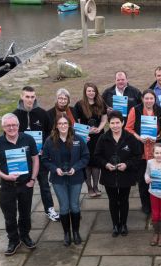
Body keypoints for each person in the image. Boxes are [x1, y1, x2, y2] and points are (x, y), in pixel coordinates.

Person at [0, 113, 39, 256]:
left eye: (14, 125)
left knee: (25, 214)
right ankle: (13, 240)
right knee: (9, 216)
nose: (11, 128)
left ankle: (25, 235)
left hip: (25, 184)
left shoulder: (28, 139)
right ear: (3, 127)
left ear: (18, 125)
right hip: (7, 186)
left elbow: (35, 160)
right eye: (8, 125)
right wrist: (5, 176)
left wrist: (33, 179)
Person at [42, 114, 89, 246]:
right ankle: (66, 234)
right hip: (58, 179)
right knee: (64, 206)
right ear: (56, 126)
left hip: (75, 178)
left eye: (65, 123)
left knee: (74, 205)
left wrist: (76, 167)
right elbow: (44, 159)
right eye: (60, 123)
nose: (63, 126)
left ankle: (76, 232)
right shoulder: (50, 141)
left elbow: (85, 157)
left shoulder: (78, 139)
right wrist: (54, 169)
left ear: (69, 125)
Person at [13, 86, 59, 222]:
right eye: (27, 96)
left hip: (40, 157)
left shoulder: (42, 113)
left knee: (44, 184)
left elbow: (51, 133)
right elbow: (9, 136)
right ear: (21, 96)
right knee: (24, 187)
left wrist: (46, 148)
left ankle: (49, 208)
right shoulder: (15, 115)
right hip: (23, 159)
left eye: (32, 97)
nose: (30, 100)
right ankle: (23, 214)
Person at [94, 111, 142, 237]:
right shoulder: (103, 138)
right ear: (108, 124)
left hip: (125, 176)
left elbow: (137, 156)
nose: (115, 125)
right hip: (109, 176)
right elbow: (97, 156)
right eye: (112, 123)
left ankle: (124, 224)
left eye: (117, 123)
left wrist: (127, 164)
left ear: (123, 123)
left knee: (124, 200)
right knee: (113, 200)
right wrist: (105, 164)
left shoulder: (130, 138)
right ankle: (115, 225)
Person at [125, 89, 161, 215]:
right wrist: (139, 137)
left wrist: (159, 136)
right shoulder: (135, 110)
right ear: (142, 99)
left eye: (151, 98)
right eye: (146, 98)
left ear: (155, 99)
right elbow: (128, 128)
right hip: (141, 149)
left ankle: (157, 202)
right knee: (143, 180)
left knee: (157, 178)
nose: (149, 101)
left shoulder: (160, 111)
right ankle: (145, 205)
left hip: (156, 151)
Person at [74, 82, 107, 197]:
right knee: (87, 163)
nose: (91, 93)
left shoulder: (101, 103)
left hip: (98, 137)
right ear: (85, 92)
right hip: (85, 138)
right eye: (89, 91)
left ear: (96, 91)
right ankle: (89, 188)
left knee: (96, 163)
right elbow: (77, 123)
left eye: (93, 90)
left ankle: (96, 186)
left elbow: (104, 119)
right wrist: (87, 131)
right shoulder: (79, 104)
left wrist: (99, 128)